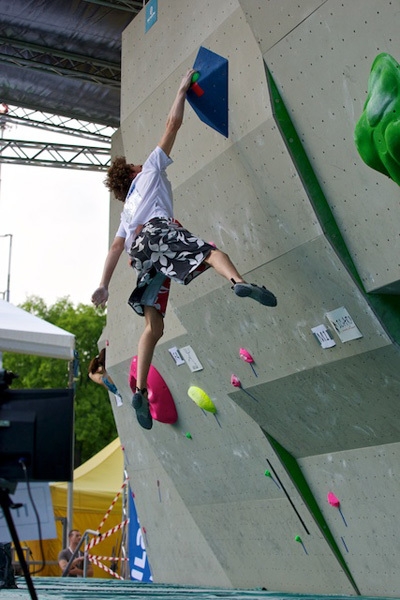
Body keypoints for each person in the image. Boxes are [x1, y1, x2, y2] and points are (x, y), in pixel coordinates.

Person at [92, 68, 277, 430]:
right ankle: (237, 281)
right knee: (210, 252)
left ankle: (140, 390)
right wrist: (180, 91)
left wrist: (104, 284)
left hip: (140, 255)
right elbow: (171, 125)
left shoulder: (126, 212)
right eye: (135, 164)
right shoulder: (148, 173)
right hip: (160, 232)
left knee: (153, 328)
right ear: (132, 172)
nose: (140, 164)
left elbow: (116, 248)